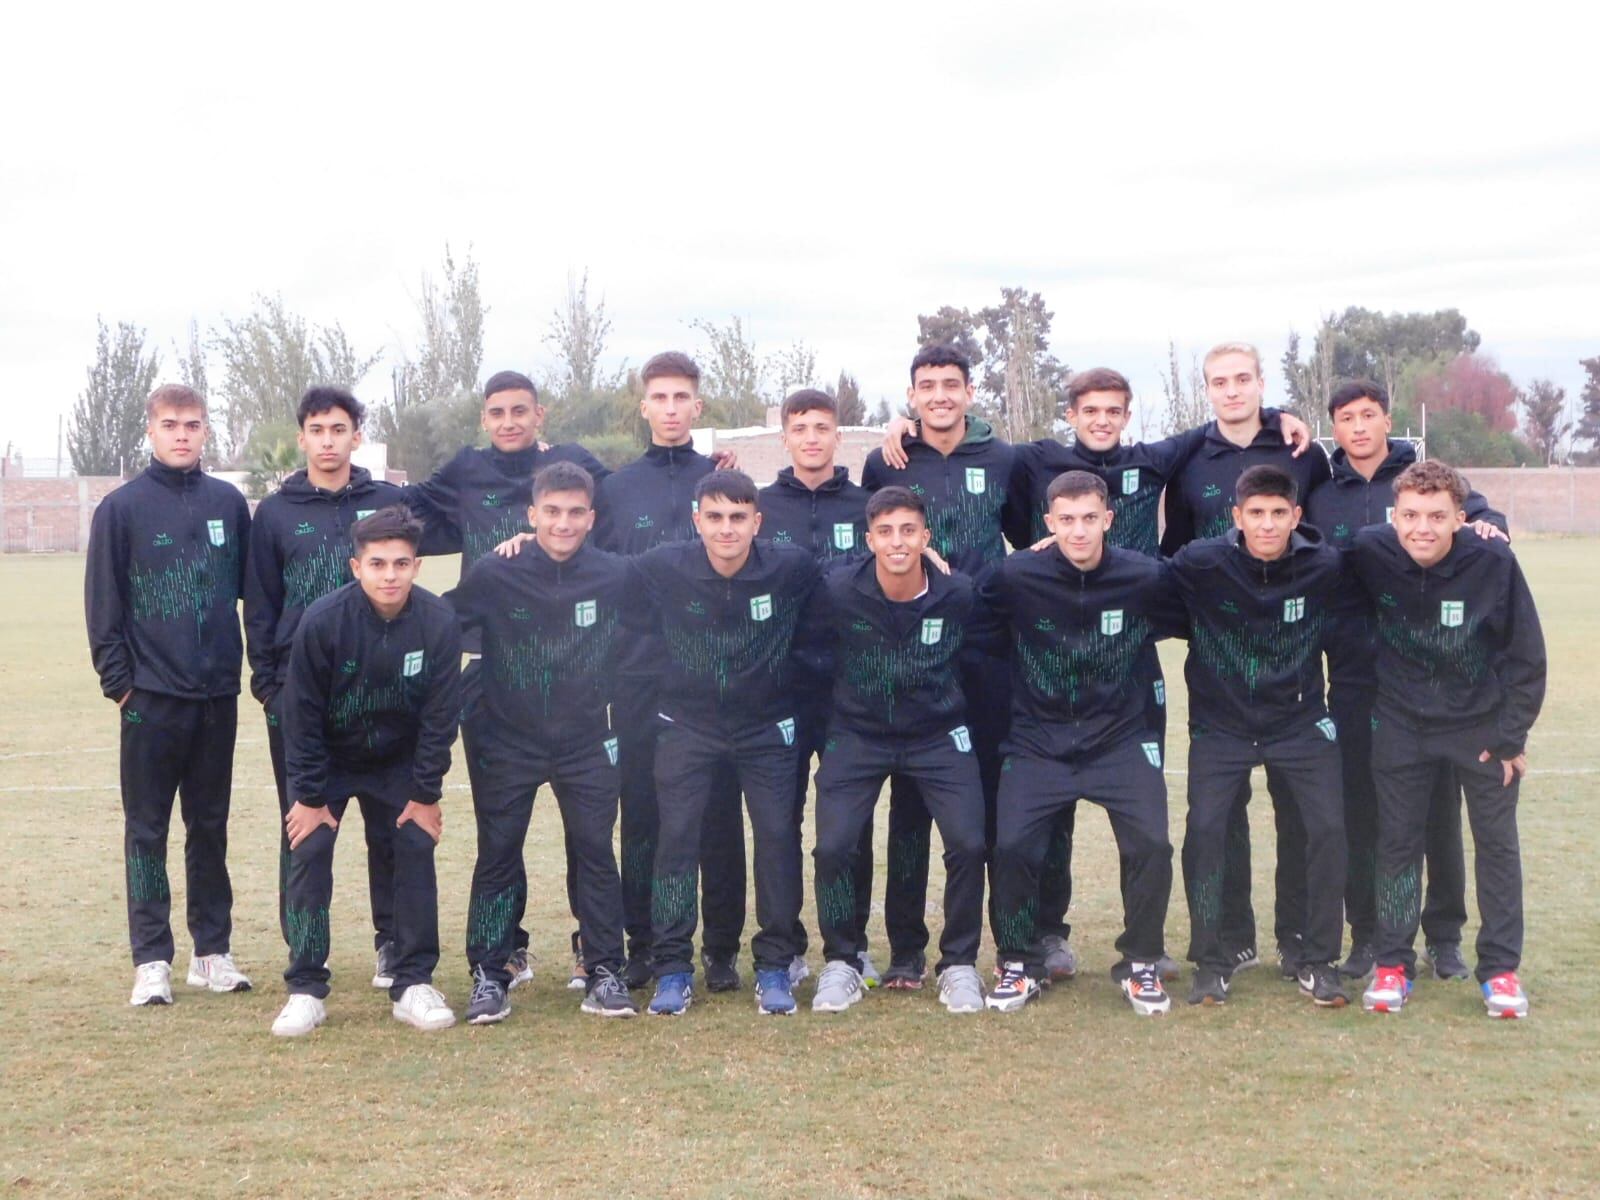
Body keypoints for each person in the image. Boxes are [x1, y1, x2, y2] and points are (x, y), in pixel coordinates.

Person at [403, 369, 610, 990]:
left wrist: (716, 458)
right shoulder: (465, 470)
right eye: (498, 412)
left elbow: (636, 491)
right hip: (495, 665)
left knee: (590, 839)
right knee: (502, 836)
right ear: (485, 419)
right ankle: (504, 952)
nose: (510, 421)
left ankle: (593, 950)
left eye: (522, 410)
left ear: (540, 415)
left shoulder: (574, 464)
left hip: (576, 678)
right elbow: (407, 509)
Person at [1302, 379, 1506, 981]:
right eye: (1346, 417)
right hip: (1356, 677)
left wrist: (1491, 524)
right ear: (1333, 428)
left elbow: (1481, 513)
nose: (1359, 426)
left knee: (1438, 813)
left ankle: (1443, 936)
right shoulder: (1321, 493)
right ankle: (1369, 934)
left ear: (1387, 419)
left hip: (1432, 677)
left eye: (1369, 415)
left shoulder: (1422, 474)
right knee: (1364, 812)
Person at [1161, 342, 1334, 979]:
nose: (1231, 391)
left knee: (1307, 820)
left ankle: (1301, 942)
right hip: (1221, 664)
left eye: (1243, 380)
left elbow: (1349, 499)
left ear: (1262, 384)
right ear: (1206, 389)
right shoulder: (1187, 454)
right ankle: (1227, 941)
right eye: (1219, 382)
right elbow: (1171, 552)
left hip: (1292, 664)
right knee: (1216, 823)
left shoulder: (1299, 450)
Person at [982, 471, 1182, 1015]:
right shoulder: (1017, 575)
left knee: (1151, 846)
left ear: (1108, 520)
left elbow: (1193, 612)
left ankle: (1140, 964)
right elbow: (972, 615)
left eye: (1089, 519)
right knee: (1014, 847)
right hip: (1037, 741)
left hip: (1120, 738)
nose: (1078, 531)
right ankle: (1019, 964)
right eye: (1066, 520)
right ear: (1048, 524)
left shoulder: (1145, 577)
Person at [1350, 461, 1545, 1019]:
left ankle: (1501, 972)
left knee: (1497, 847)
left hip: (1479, 729)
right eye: (1410, 516)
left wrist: (1510, 737)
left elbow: (1527, 654)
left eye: (1438, 516)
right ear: (1394, 517)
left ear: (1461, 518)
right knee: (1396, 847)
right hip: (1401, 725)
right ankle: (1392, 965)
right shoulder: (1371, 551)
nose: (1422, 528)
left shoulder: (1492, 559)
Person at [446, 462, 636, 1022]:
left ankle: (605, 969)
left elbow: (660, 616)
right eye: (551, 512)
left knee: (597, 852)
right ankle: (489, 972)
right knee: (498, 854)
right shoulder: (495, 571)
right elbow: (444, 625)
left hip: (586, 740)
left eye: (576, 512)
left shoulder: (615, 574)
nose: (563, 522)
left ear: (592, 518)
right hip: (507, 739)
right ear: (531, 515)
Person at [627, 471, 820, 1016]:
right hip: (686, 726)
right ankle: (671, 969)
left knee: (778, 838)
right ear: (697, 521)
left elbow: (853, 583)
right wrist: (524, 548)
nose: (727, 529)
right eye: (715, 517)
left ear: (757, 522)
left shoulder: (791, 568)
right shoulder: (662, 566)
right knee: (677, 842)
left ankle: (775, 965)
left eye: (738, 517)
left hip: (767, 729)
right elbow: (597, 575)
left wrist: (929, 563)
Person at [86, 383, 253, 1006]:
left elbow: (252, 594)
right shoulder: (121, 509)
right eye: (170, 424)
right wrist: (122, 688)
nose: (182, 434)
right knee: (147, 830)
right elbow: (103, 606)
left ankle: (211, 952)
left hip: (218, 700)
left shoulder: (228, 504)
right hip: (150, 701)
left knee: (209, 827)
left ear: (206, 431)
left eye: (193, 424)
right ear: (150, 431)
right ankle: (151, 958)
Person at [1166, 465, 1354, 1008]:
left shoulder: (1324, 565)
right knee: (1205, 830)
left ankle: (1315, 957)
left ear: (1297, 516)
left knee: (1326, 828)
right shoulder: (1201, 562)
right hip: (1221, 724)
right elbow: (1140, 581)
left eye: (1278, 514)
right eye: (1256, 514)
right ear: (1237, 517)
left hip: (1298, 721)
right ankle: (1213, 958)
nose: (1267, 525)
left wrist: (1481, 519)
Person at [590, 353, 749, 992]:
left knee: (717, 815)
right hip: (637, 679)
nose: (672, 408)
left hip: (716, 680)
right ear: (645, 405)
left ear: (698, 406)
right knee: (645, 813)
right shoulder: (617, 488)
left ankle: (721, 948)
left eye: (683, 397)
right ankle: (645, 942)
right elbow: (592, 571)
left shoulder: (722, 479)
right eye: (661, 397)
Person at [860, 343, 1016, 989]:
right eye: (928, 385)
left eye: (951, 384)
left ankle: (1013, 946)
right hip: (912, 655)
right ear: (913, 394)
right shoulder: (887, 459)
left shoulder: (1006, 459)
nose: (941, 395)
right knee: (910, 810)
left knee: (992, 809)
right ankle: (904, 952)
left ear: (970, 391)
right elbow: (872, 545)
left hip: (988, 652)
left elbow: (1040, 535)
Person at [271, 507, 462, 1036]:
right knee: (306, 852)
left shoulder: (438, 622)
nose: (390, 575)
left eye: (401, 563)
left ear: (417, 566)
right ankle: (306, 987)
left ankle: (412, 982)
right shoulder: (323, 620)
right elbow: (300, 714)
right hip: (330, 761)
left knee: (415, 846)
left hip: (397, 761)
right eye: (377, 563)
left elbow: (440, 717)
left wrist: (424, 793)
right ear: (356, 566)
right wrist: (309, 797)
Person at [803, 487, 992, 1015]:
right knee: (833, 847)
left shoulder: (957, 594)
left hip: (937, 735)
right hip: (858, 734)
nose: (898, 542)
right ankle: (842, 960)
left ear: (926, 537)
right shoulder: (839, 590)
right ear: (869, 540)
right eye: (885, 532)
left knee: (969, 842)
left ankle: (957, 964)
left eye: (909, 530)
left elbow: (979, 657)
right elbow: (814, 650)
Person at [244, 385, 404, 989]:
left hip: (382, 692)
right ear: (302, 437)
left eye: (339, 428)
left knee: (388, 825)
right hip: (301, 697)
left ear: (356, 435)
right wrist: (268, 686)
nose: (328, 439)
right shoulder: (276, 512)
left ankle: (393, 943)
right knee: (306, 824)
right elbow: (260, 603)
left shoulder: (388, 501)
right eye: (317, 429)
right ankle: (306, 950)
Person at [757, 388, 877, 985]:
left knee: (848, 827)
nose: (811, 437)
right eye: (800, 427)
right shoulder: (756, 507)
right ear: (785, 436)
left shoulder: (865, 506)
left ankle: (850, 944)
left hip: (851, 690)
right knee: (780, 824)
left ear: (838, 435)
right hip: (776, 691)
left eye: (821, 427)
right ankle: (787, 943)